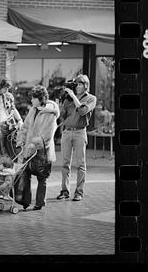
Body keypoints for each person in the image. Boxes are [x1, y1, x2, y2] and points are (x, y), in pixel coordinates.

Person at [16, 85, 60, 210]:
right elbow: (25, 127)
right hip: (29, 149)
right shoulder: (32, 110)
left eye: (33, 98)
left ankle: (40, 202)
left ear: (40, 98)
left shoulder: (51, 114)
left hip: (42, 151)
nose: (31, 101)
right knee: (26, 173)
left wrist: (34, 144)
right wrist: (21, 140)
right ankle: (25, 200)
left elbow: (47, 135)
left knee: (42, 176)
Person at [56, 74, 97, 202]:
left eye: (80, 84)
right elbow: (62, 116)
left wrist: (73, 96)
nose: (77, 87)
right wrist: (60, 102)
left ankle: (79, 192)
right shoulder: (68, 99)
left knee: (80, 164)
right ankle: (64, 191)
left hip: (80, 133)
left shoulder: (91, 98)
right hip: (67, 132)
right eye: (76, 84)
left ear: (86, 86)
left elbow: (82, 111)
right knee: (64, 164)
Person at [0, 77, 23, 159]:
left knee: (12, 151)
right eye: (5, 88)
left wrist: (19, 120)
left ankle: (12, 171)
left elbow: (13, 109)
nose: (7, 90)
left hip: (10, 126)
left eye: (8, 88)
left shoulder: (9, 96)